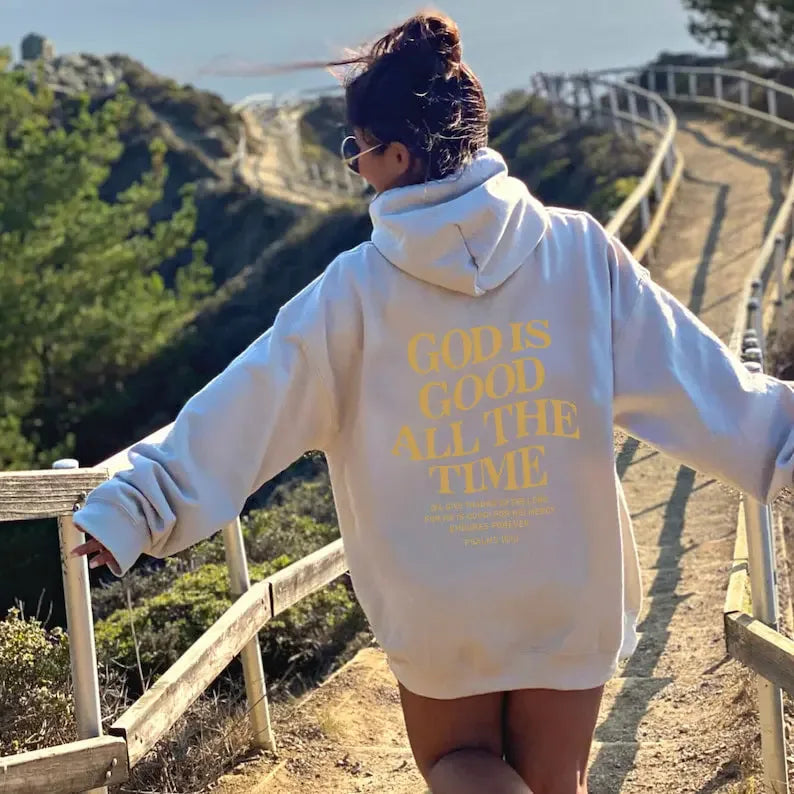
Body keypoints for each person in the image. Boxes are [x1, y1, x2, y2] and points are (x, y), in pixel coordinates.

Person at [72, 12, 794, 794]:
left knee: (458, 765)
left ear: (398, 155)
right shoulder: (579, 251)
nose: (356, 167)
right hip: (566, 579)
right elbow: (698, 381)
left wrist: (139, 504)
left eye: (356, 150)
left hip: (440, 596)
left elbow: (249, 406)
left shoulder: (351, 294)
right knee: (559, 782)